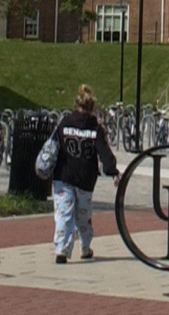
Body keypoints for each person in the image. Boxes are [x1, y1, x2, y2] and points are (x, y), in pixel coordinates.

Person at [49, 84, 120, 263]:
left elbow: (53, 146)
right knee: (83, 215)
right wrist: (112, 172)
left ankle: (61, 249)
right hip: (85, 179)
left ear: (75, 104)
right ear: (91, 108)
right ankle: (85, 247)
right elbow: (104, 152)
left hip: (62, 176)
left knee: (64, 213)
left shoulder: (64, 123)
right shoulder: (95, 128)